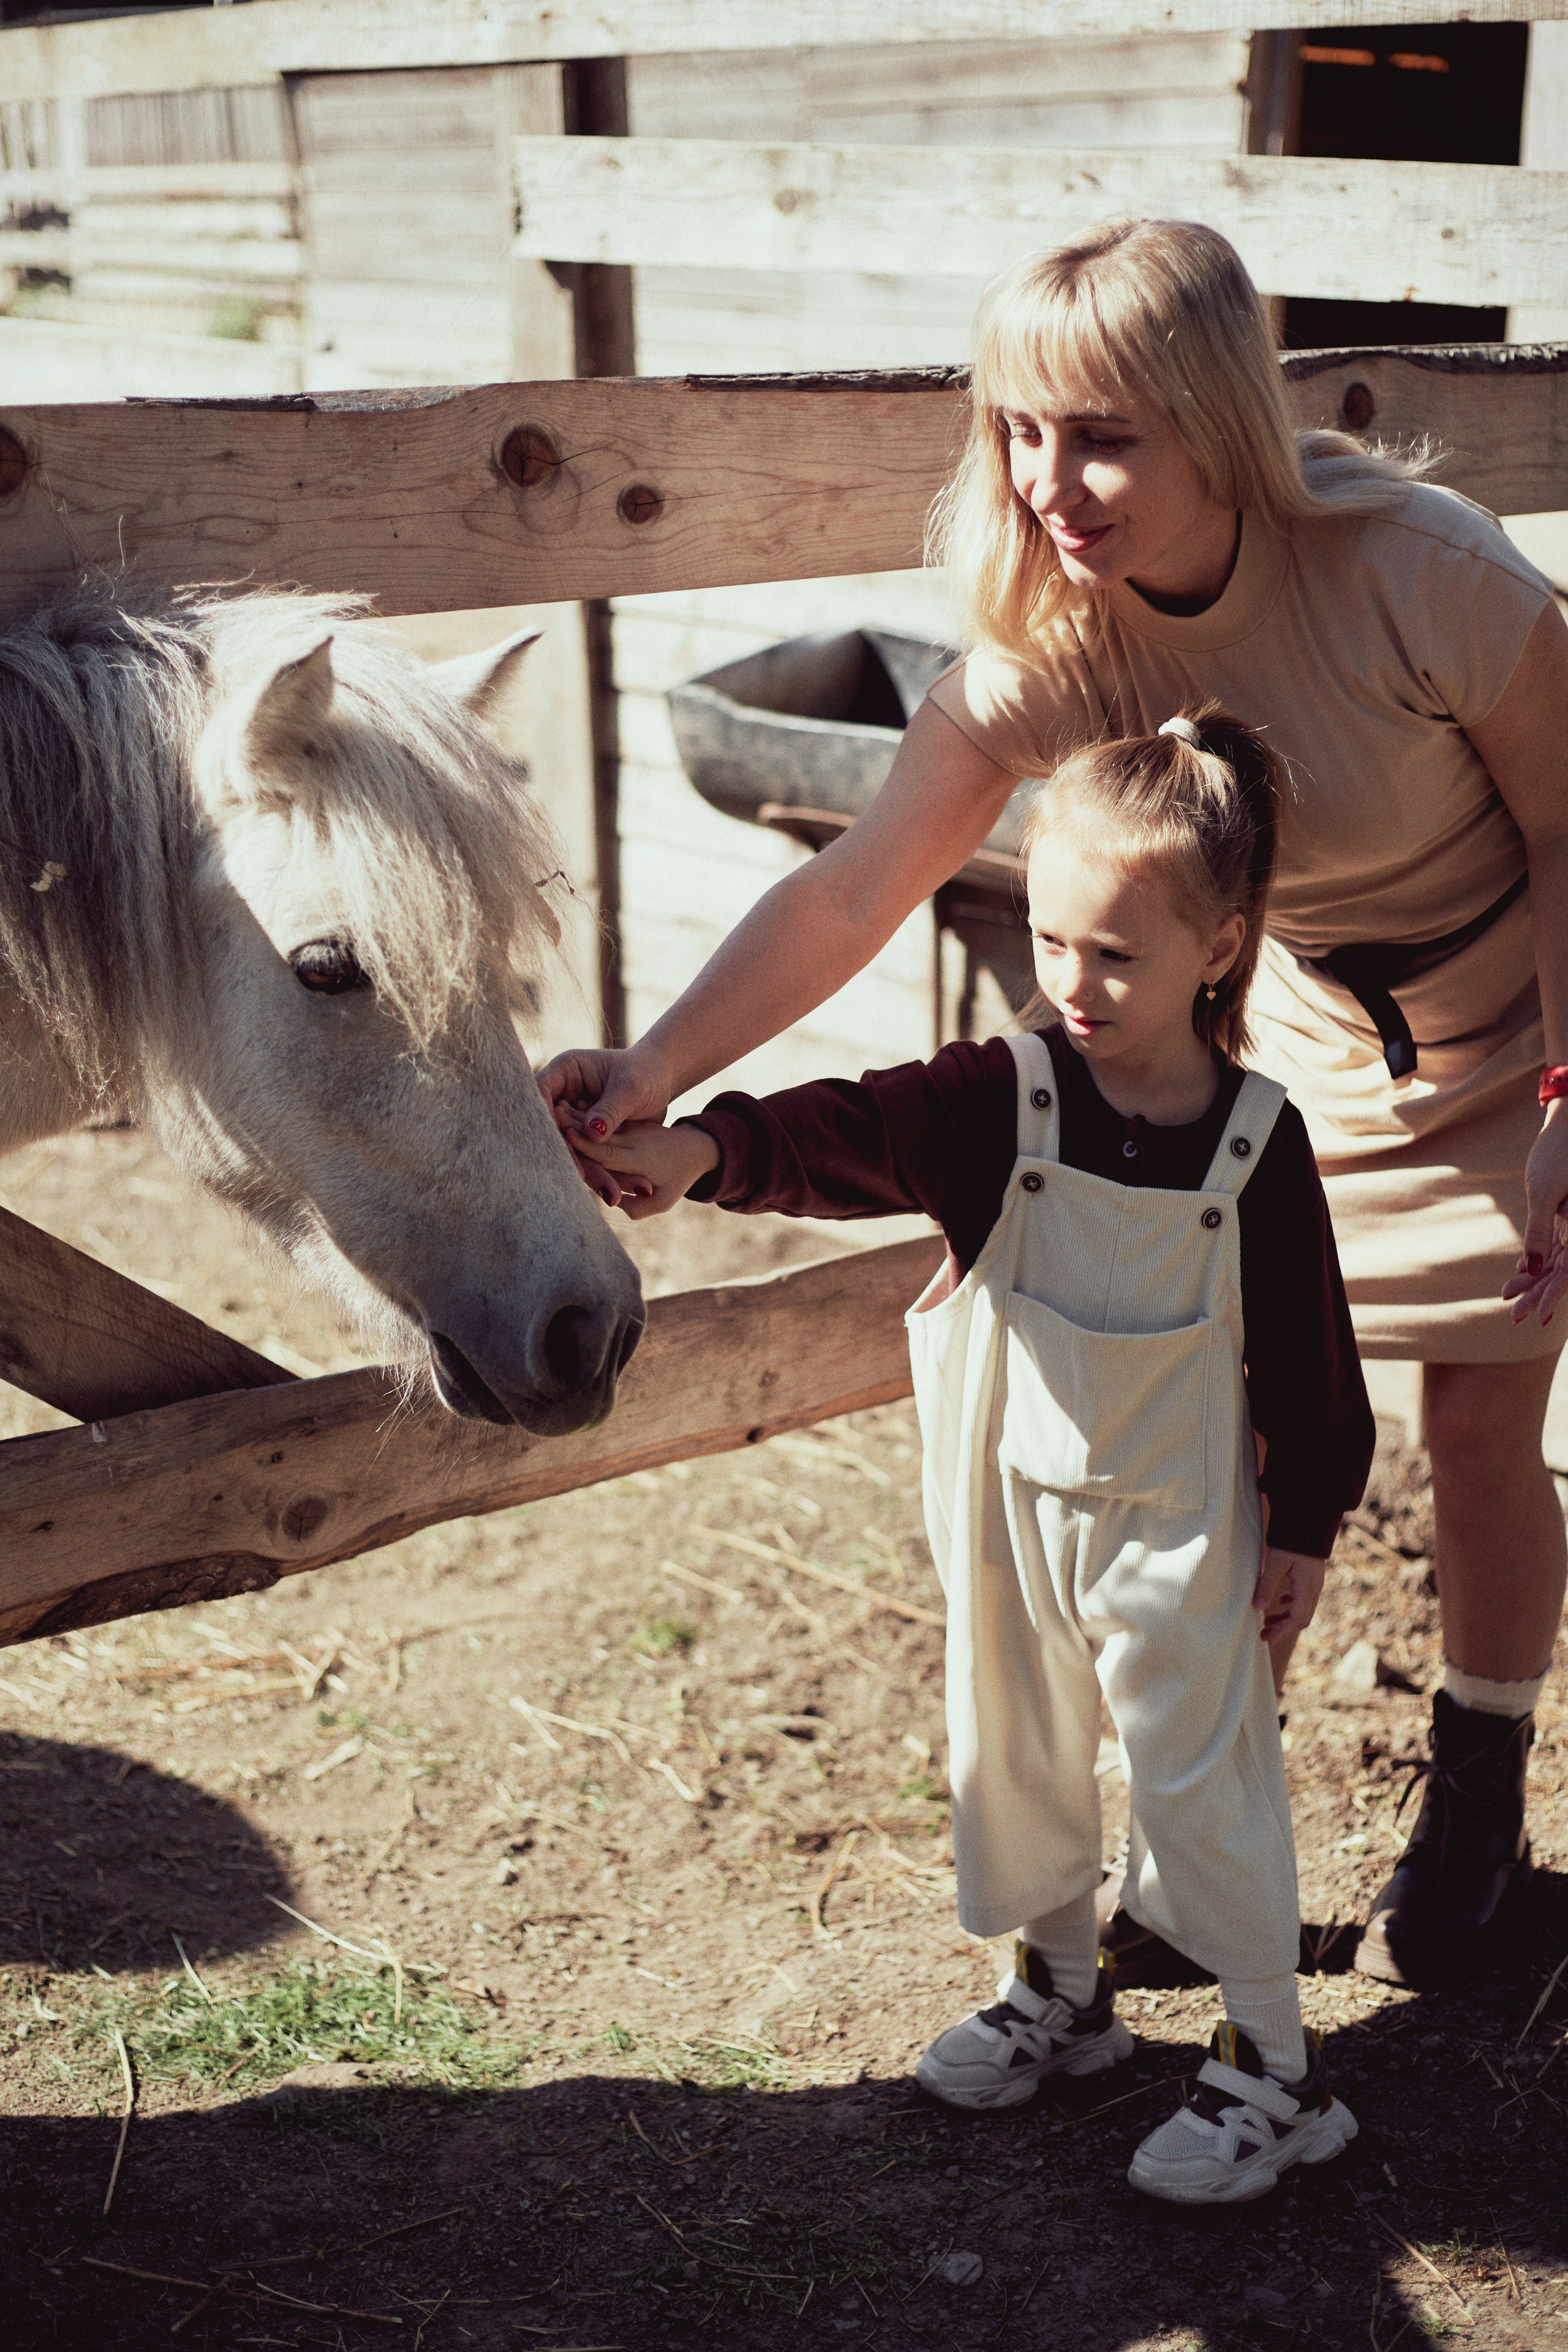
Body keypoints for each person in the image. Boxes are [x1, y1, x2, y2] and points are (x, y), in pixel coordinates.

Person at [545, 219, 1568, 1990]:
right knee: (1230, 1439)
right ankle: (1201, 1842)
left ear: (1216, 420)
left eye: (1100, 437)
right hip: (1303, 1029)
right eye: (1018, 431)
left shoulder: (1421, 570)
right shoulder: (1060, 642)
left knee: (1479, 1424)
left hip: (1530, 1002)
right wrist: (657, 1071)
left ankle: (1475, 1809)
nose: (1046, 481)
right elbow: (855, 888)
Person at [584, 712, 1373, 2202]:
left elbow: (1307, 1355)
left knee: (1202, 1775)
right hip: (1006, 1507)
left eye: (1115, 955)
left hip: (1179, 1525)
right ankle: (1059, 1995)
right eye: (1050, 939)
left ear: (1217, 949)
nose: (1071, 982)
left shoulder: (1253, 1144)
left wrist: (1305, 1524)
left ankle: (1274, 2065)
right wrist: (698, 1152)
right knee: (1012, 1749)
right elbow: (847, 1133)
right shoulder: (1002, 1098)